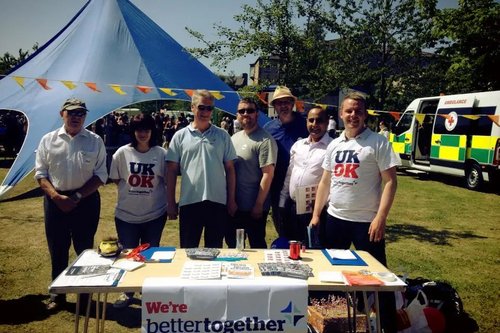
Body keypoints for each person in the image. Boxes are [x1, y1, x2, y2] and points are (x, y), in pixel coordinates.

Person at [309, 92, 399, 333]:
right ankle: (333, 322)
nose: (353, 115)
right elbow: (325, 183)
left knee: (378, 280)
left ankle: (388, 326)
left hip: (366, 223)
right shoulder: (335, 144)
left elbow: (390, 182)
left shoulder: (379, 142)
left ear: (365, 114)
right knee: (331, 275)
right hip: (336, 220)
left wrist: (381, 217)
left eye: (358, 111)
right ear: (340, 114)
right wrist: (317, 215)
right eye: (348, 111)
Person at [34, 98, 107, 311]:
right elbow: (40, 173)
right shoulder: (48, 140)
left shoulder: (95, 141)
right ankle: (58, 295)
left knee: (84, 250)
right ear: (62, 114)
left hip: (85, 202)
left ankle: (85, 297)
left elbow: (101, 174)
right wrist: (56, 197)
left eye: (81, 114)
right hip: (55, 201)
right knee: (57, 249)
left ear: (85, 116)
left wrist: (76, 197)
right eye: (72, 113)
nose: (76, 117)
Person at [109, 114, 168, 308]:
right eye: (139, 130)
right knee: (129, 255)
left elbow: (166, 181)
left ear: (152, 131)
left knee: (150, 254)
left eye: (146, 129)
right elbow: (117, 180)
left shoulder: (161, 154)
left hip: (154, 215)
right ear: (133, 132)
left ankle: (148, 291)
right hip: (127, 215)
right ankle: (127, 292)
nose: (143, 134)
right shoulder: (121, 154)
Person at [166, 90, 237, 248]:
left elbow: (230, 170)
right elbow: (171, 171)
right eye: (202, 107)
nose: (206, 112)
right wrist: (170, 202)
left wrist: (231, 200)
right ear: (192, 107)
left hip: (217, 201)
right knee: (188, 251)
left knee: (215, 251)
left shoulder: (222, 135)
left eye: (210, 108)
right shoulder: (180, 136)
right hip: (189, 201)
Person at [225, 98, 278, 249]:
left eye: (250, 110)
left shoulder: (265, 140)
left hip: (254, 208)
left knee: (257, 246)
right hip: (235, 206)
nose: (246, 114)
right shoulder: (234, 138)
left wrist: (258, 205)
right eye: (242, 111)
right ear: (237, 115)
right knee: (233, 246)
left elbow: (268, 175)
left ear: (257, 114)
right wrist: (231, 200)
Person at [279, 106, 332, 247]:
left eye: (319, 120)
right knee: (292, 248)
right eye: (311, 120)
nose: (315, 124)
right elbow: (290, 175)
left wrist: (322, 207)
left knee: (313, 251)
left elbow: (333, 182)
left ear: (327, 122)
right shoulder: (298, 145)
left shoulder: (333, 147)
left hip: (316, 211)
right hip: (294, 207)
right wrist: (283, 201)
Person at [263, 86, 309, 237]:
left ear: (293, 103)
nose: (283, 106)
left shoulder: (306, 125)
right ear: (274, 106)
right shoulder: (269, 129)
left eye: (287, 102)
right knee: (283, 232)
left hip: (302, 189)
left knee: (304, 234)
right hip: (277, 188)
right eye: (279, 103)